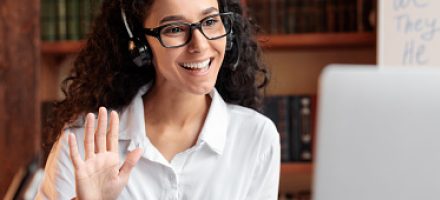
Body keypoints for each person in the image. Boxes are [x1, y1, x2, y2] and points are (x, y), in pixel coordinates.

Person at [36, 0, 280, 199]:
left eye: (210, 21)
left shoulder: (256, 136)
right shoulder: (82, 142)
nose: (200, 44)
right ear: (140, 45)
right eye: (174, 28)